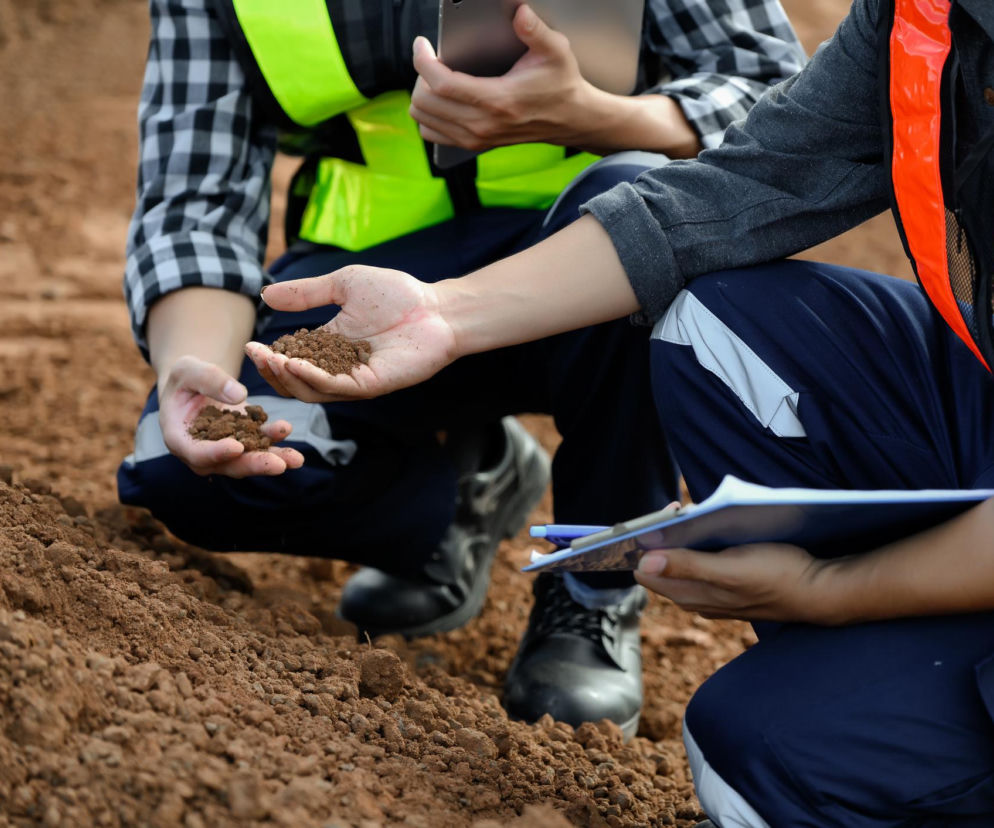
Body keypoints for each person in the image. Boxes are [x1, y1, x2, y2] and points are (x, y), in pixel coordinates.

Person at [241, 0, 994, 822]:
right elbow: (753, 179)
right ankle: (885, 670)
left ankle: (879, 688)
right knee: (720, 321)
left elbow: (746, 69)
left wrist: (829, 586)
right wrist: (445, 313)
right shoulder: (924, 13)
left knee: (765, 758)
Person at [117, 0, 806, 739]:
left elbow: (780, 95)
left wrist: (593, 115)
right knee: (180, 463)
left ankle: (594, 587)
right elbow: (194, 200)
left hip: (584, 275)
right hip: (367, 297)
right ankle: (466, 483)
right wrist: (201, 375)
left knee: (645, 210)